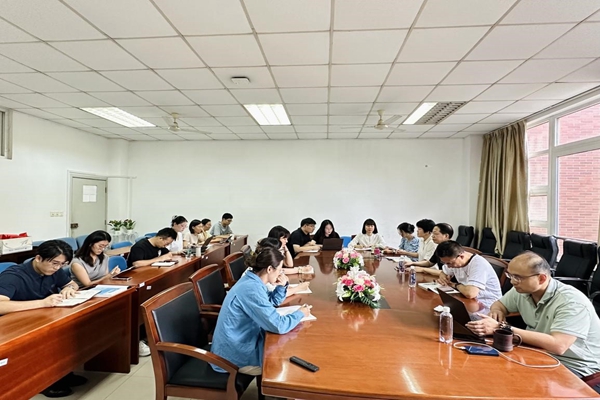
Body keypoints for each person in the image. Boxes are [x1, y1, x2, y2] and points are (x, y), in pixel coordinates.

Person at [466, 252, 600, 392]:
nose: (512, 282)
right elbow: (499, 304)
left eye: (518, 277)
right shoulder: (522, 290)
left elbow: (558, 345)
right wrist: (497, 311)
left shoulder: (571, 302)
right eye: (510, 275)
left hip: (575, 366)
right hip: (540, 353)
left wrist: (502, 327)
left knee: (510, 386)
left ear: (542, 278)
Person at [0, 240, 84, 398]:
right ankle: (45, 381)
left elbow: (73, 284)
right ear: (38, 258)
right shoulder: (13, 276)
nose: (57, 268)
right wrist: (42, 303)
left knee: (67, 330)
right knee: (46, 338)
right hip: (15, 323)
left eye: (62, 264)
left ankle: (63, 373)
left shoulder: (54, 270)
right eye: (55, 263)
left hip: (42, 315)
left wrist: (68, 289)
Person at [211, 247, 311, 376]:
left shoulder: (252, 279)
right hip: (233, 353)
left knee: (286, 346)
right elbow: (278, 325)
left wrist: (282, 287)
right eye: (280, 270)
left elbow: (271, 302)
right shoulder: (251, 288)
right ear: (269, 269)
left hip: (243, 338)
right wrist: (300, 313)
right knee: (283, 364)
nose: (281, 274)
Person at [435, 241, 502, 309]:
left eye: (449, 263)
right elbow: (444, 272)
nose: (448, 266)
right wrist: (443, 279)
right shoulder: (454, 260)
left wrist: (455, 285)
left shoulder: (478, 264)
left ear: (461, 256)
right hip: (469, 301)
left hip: (489, 306)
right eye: (445, 263)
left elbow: (470, 293)